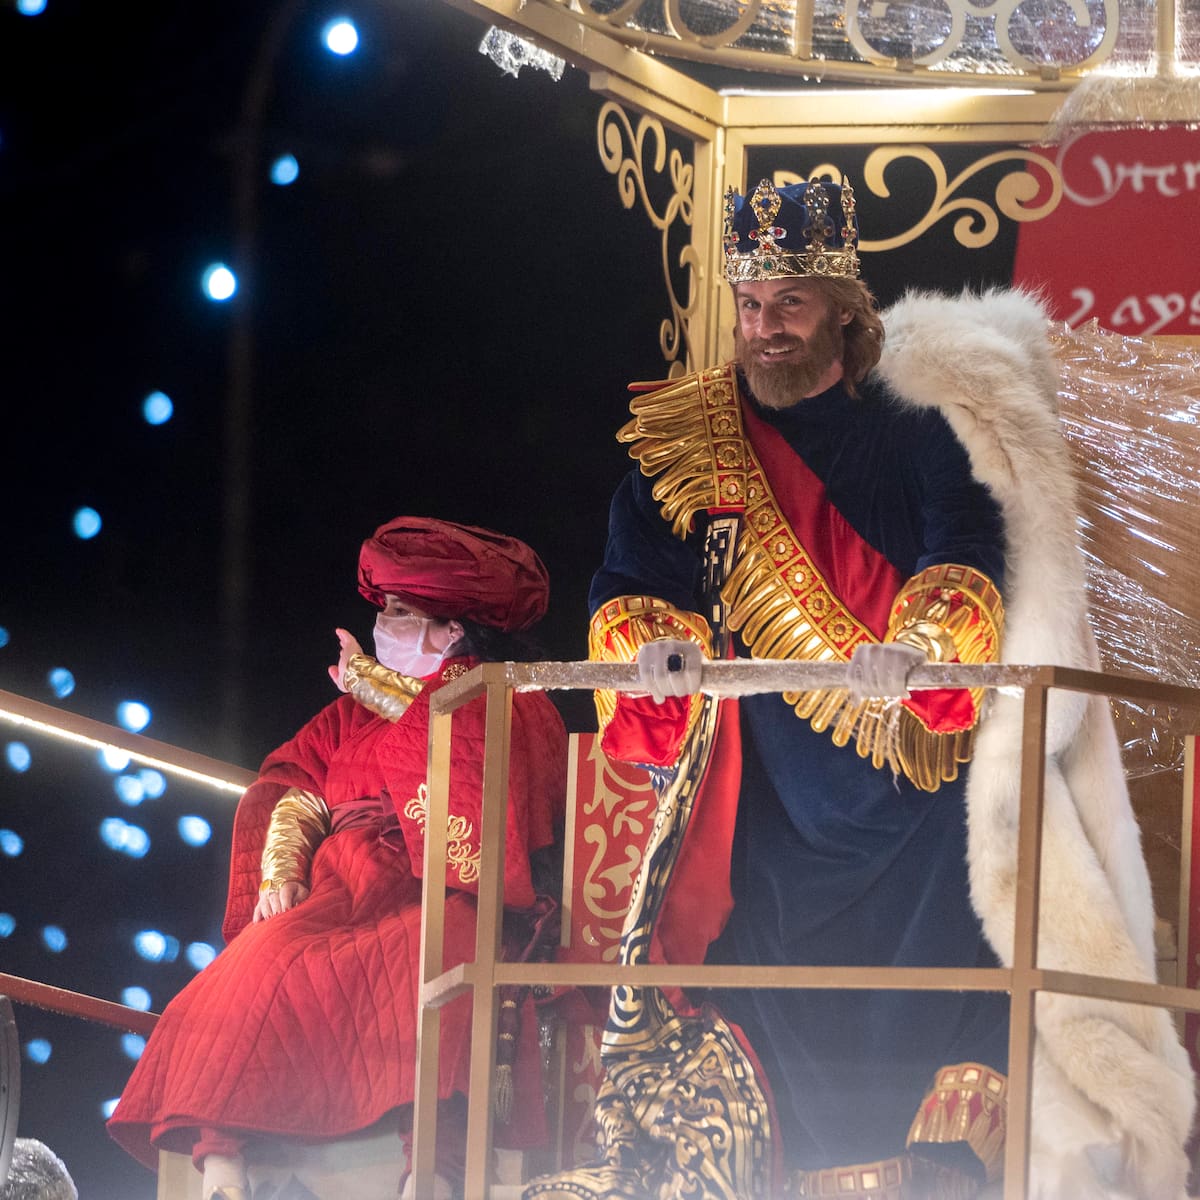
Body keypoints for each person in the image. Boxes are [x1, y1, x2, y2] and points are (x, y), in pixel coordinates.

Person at [573, 180, 1194, 1198]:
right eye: (752, 304)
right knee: (756, 970)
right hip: (770, 786)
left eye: (792, 303)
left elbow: (967, 546)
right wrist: (652, 639)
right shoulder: (692, 438)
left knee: (952, 954)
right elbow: (632, 574)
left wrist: (920, 643)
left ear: (842, 311)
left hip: (917, 778)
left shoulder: (915, 425)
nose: (767, 327)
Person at [108, 517, 567, 1200]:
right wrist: (281, 871)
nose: (381, 624)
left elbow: (474, 762)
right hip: (338, 886)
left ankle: (431, 1170)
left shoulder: (504, 695)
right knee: (252, 962)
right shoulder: (348, 714)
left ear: (451, 631)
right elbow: (297, 784)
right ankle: (222, 1164)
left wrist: (376, 686)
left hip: (433, 886)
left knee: (437, 953)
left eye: (400, 612)